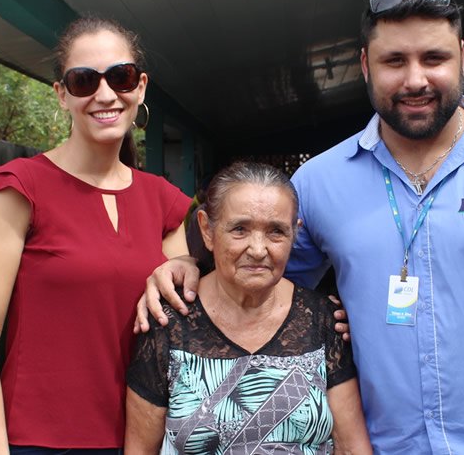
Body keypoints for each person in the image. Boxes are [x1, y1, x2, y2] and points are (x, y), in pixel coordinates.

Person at [141, 0, 464, 454]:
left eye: (434, 58)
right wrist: (186, 266)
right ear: (366, 65)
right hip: (379, 445)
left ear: (463, 58)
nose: (415, 79)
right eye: (395, 61)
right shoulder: (319, 182)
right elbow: (258, 272)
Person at [0, 15, 192, 453]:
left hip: (144, 438)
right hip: (41, 441)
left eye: (120, 77)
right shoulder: (19, 188)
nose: (105, 94)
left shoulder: (163, 200)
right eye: (84, 81)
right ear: (62, 95)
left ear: (140, 86)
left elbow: (184, 315)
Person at [125, 162, 372, 454]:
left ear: (295, 233)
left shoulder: (323, 321)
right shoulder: (168, 322)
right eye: (240, 229)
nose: (258, 249)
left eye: (276, 232)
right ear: (207, 230)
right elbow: (141, 449)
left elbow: (350, 445)